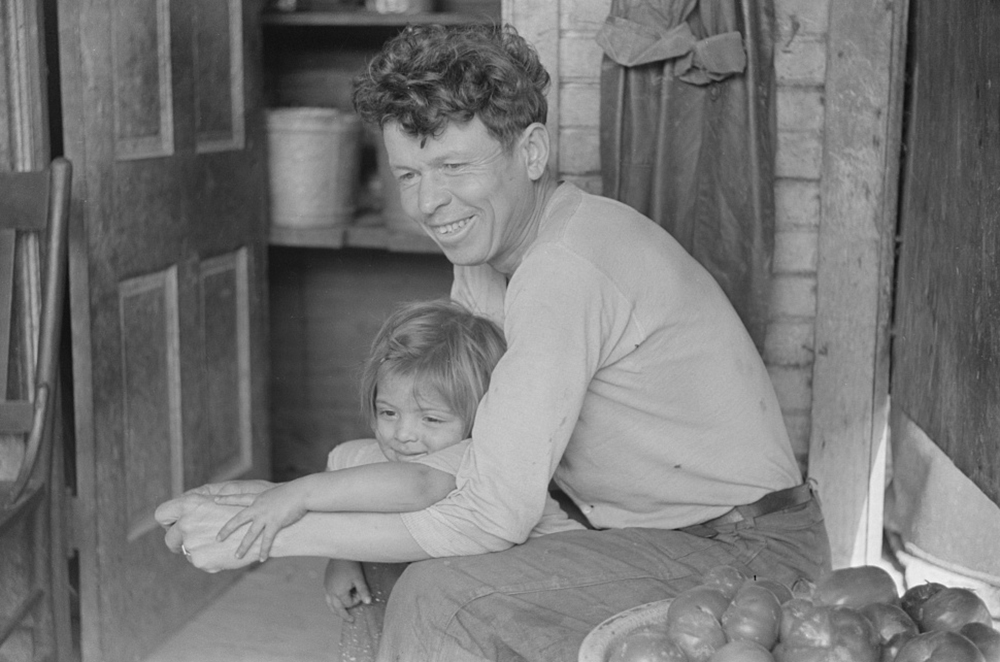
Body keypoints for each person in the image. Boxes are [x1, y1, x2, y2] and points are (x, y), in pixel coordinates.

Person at [156, 22, 832, 661]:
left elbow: (490, 516)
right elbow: (459, 453)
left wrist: (267, 531)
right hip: (635, 527)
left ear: (531, 153)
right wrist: (281, 500)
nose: (428, 205)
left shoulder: (566, 266)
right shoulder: (484, 262)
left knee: (441, 595)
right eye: (410, 176)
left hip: (744, 551)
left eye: (455, 168)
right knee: (364, 490)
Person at [207, 299, 581, 651]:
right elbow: (339, 468)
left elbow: (417, 486)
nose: (403, 434)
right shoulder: (363, 457)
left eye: (431, 419)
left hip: (550, 593)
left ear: (479, 417)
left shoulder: (475, 455)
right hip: (460, 596)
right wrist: (342, 559)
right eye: (388, 413)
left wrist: (297, 494)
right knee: (376, 578)